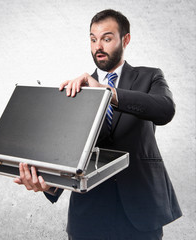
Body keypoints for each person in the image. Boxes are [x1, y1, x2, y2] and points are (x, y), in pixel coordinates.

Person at [14, 9, 182, 240]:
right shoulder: (76, 91)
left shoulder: (150, 76)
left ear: (126, 39)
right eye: (93, 39)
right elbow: (66, 154)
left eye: (106, 38)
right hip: (88, 217)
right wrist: (49, 185)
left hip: (141, 214)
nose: (98, 46)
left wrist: (106, 93)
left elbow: (165, 110)